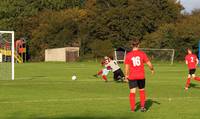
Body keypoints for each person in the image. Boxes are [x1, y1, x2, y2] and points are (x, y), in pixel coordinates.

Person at [124, 39, 154, 112]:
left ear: (132, 45)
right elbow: (149, 64)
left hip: (132, 76)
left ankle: (132, 109)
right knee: (142, 91)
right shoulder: (142, 54)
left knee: (132, 92)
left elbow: (127, 66)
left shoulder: (128, 55)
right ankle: (143, 107)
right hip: (141, 76)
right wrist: (152, 69)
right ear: (138, 45)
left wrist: (126, 75)